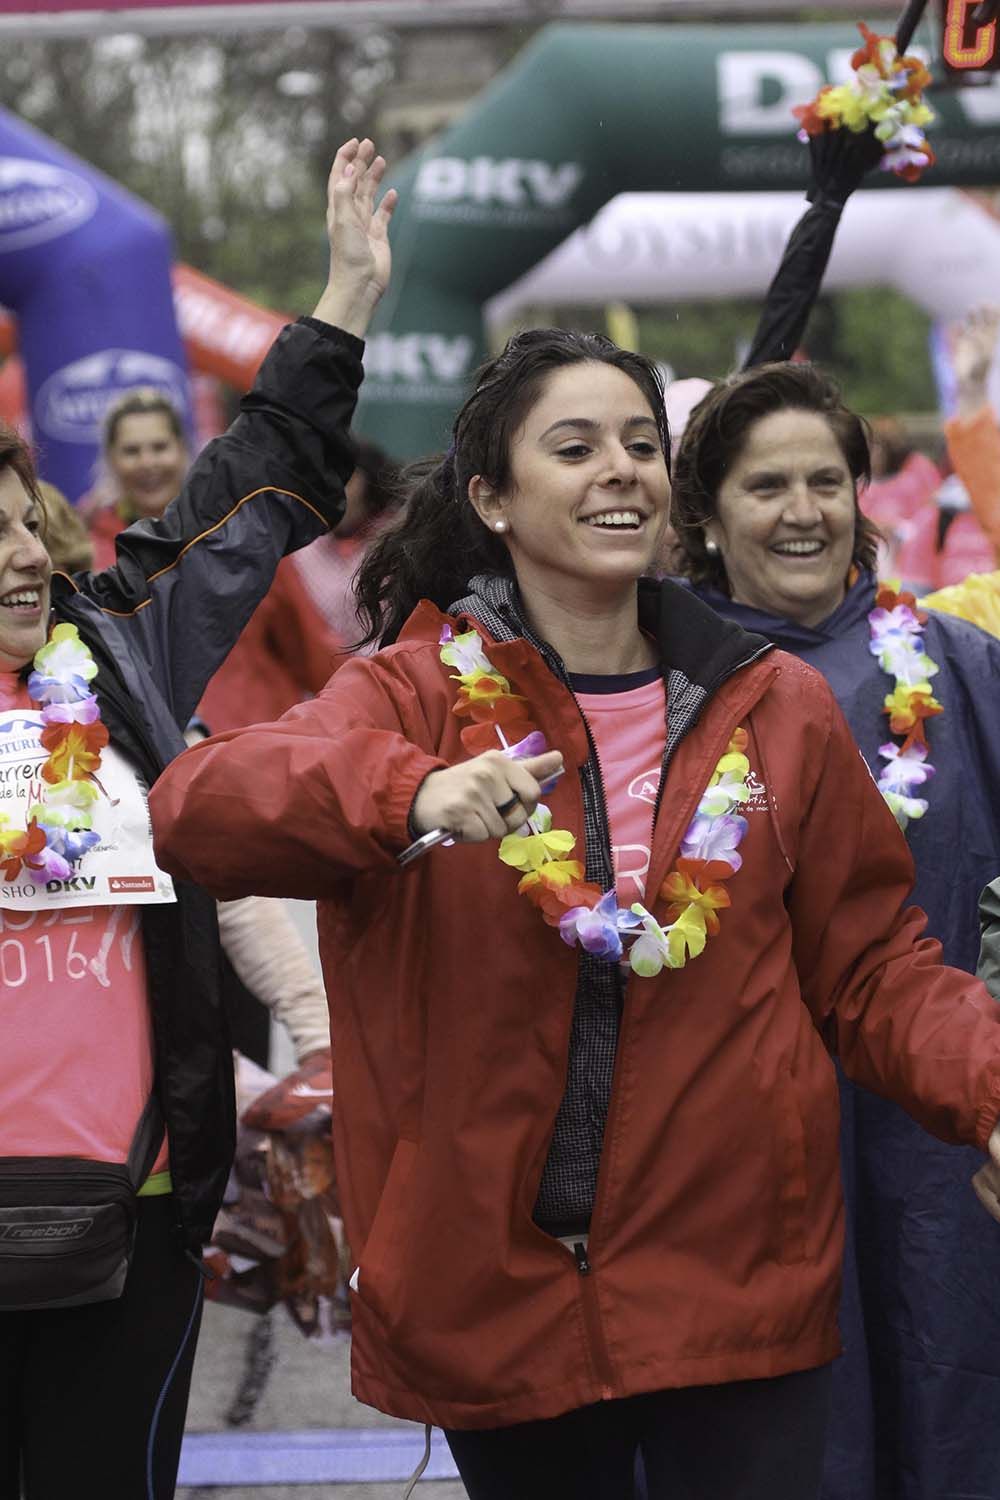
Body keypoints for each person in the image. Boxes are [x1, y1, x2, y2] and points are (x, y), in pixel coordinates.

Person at [151, 265, 1000, 1494]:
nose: (621, 469)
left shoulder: (780, 706)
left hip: (737, 1293)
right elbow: (197, 810)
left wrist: (989, 1088)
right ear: (490, 496)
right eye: (576, 446)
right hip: (499, 1307)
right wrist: (405, 794)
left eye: (642, 444)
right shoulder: (411, 695)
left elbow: (874, 973)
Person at [0, 136, 394, 1499]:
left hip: (134, 1205)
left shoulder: (114, 654)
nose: (14, 555)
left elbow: (256, 483)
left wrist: (343, 292)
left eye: (21, 525)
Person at [670, 361, 1000, 1500]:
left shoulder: (953, 666)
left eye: (827, 480)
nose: (802, 510)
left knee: (952, 1398)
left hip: (935, 1130)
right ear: (706, 515)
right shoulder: (654, 676)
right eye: (766, 485)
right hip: (730, 1139)